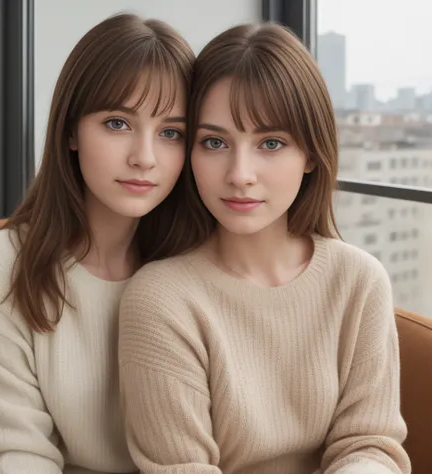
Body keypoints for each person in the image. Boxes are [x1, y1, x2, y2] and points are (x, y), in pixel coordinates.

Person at [118, 22, 412, 474]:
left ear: (311, 153)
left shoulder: (358, 280)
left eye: (271, 143)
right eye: (214, 142)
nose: (240, 173)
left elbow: (369, 445)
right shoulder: (161, 297)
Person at [0, 12, 201, 474]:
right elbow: (22, 453)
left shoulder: (196, 264)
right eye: (117, 123)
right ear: (70, 130)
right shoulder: (2, 267)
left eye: (171, 133)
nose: (144, 158)